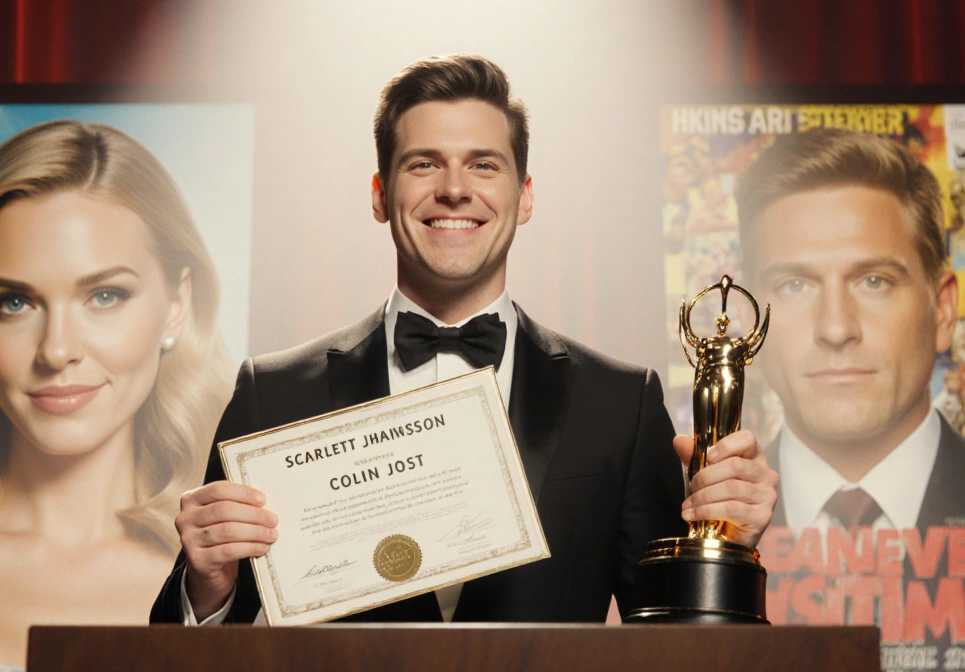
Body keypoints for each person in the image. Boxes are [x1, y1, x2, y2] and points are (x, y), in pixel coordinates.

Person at [150, 55, 778, 626]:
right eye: (424, 164)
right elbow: (186, 647)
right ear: (380, 195)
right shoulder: (274, 393)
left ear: (524, 197)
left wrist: (730, 546)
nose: (454, 188)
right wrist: (207, 587)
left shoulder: (619, 403)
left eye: (484, 164)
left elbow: (674, 642)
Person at [0, 120, 231, 671]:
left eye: (105, 296)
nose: (56, 351)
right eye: (14, 303)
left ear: (177, 305)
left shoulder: (235, 580)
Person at [734, 128, 965, 670]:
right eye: (794, 285)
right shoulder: (669, 534)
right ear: (747, 322)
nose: (835, 328)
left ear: (943, 311)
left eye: (874, 280)